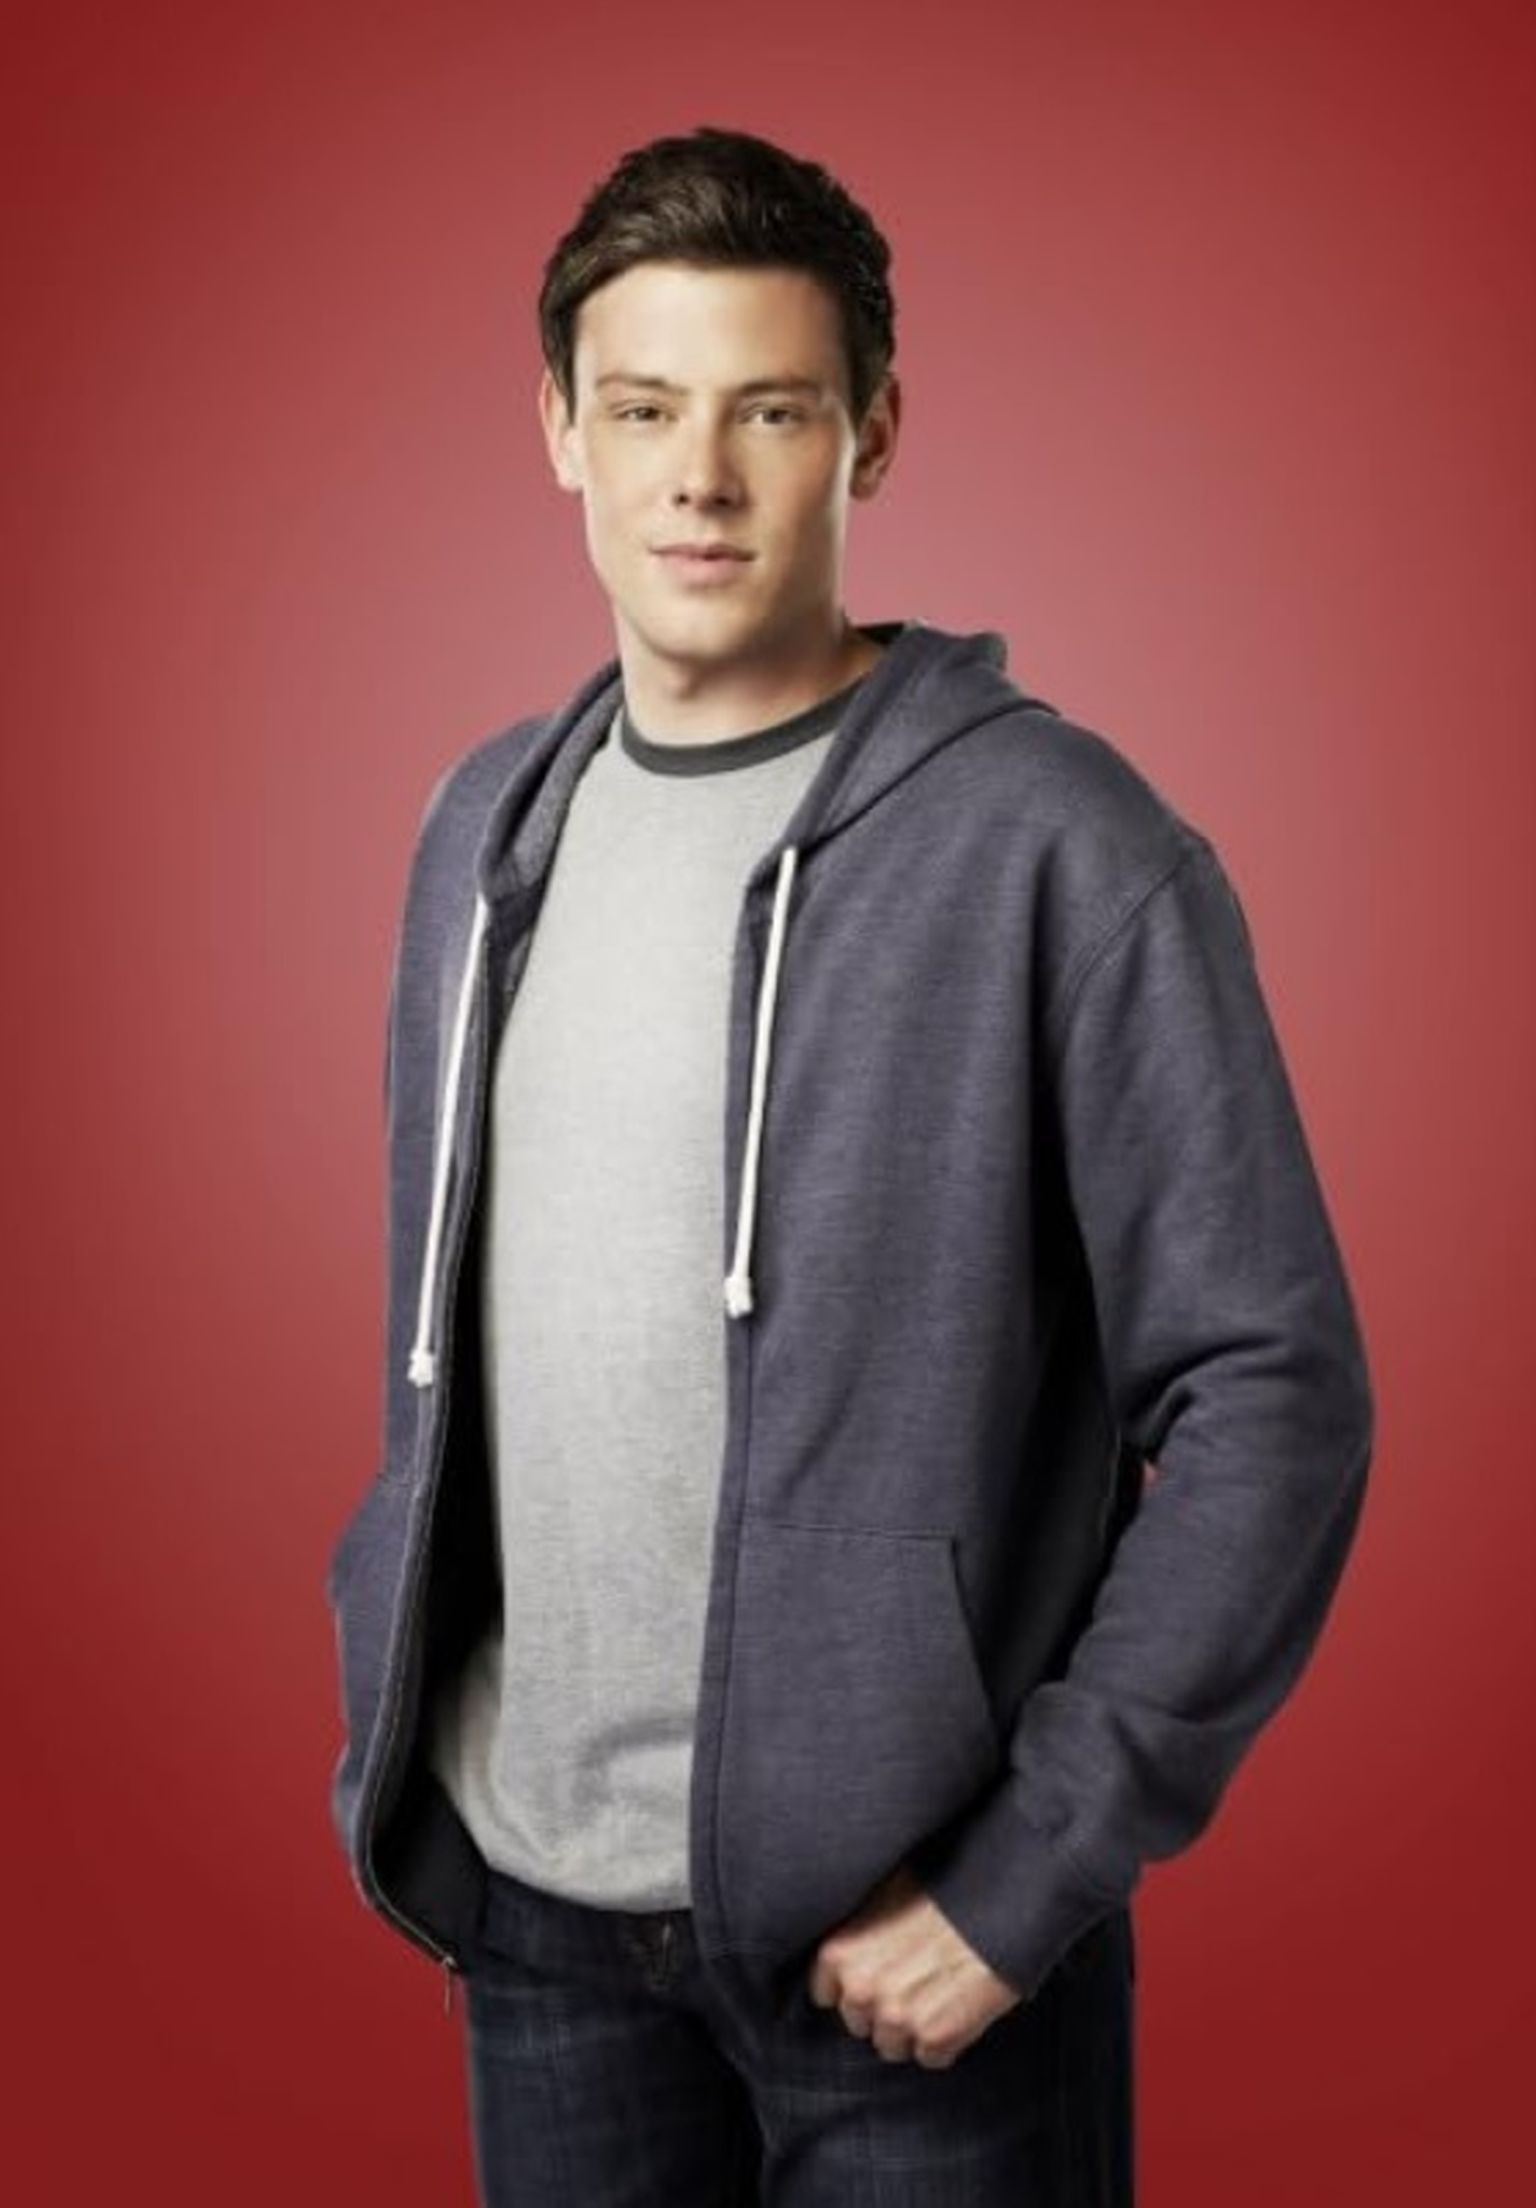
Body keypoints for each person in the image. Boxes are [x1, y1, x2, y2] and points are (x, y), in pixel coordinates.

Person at [323, 123, 1374, 2206]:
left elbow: (1277, 1390)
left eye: (772, 410)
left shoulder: (1062, 847)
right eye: (645, 410)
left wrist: (1030, 1870)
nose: (699, 480)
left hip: (913, 1952)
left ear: (872, 434)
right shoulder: (483, 831)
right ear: (560, 432)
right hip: (538, 1924)